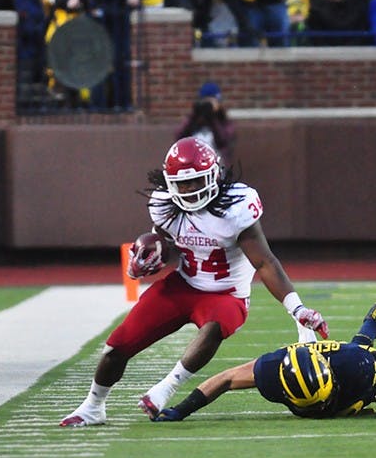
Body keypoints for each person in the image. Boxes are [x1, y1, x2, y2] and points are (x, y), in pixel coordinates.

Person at [59, 137, 329, 427]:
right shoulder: (163, 204)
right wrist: (150, 254)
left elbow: (264, 262)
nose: (189, 190)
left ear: (213, 175)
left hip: (227, 294)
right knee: (117, 346)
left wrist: (297, 308)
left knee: (213, 327)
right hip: (183, 286)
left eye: (196, 182)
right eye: (182, 184)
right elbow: (170, 243)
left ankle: (165, 389)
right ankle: (93, 406)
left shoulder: (237, 206)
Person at [152, 297, 376, 421]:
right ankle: (373, 321)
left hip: (353, 368)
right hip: (345, 360)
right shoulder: (270, 373)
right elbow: (223, 379)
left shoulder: (356, 371)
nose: (316, 411)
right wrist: (181, 410)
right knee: (357, 353)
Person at [175, 82, 237, 167]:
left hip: (218, 165)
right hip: (195, 166)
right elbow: (180, 138)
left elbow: (223, 141)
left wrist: (212, 118)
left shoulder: (223, 121)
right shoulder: (194, 120)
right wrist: (195, 115)